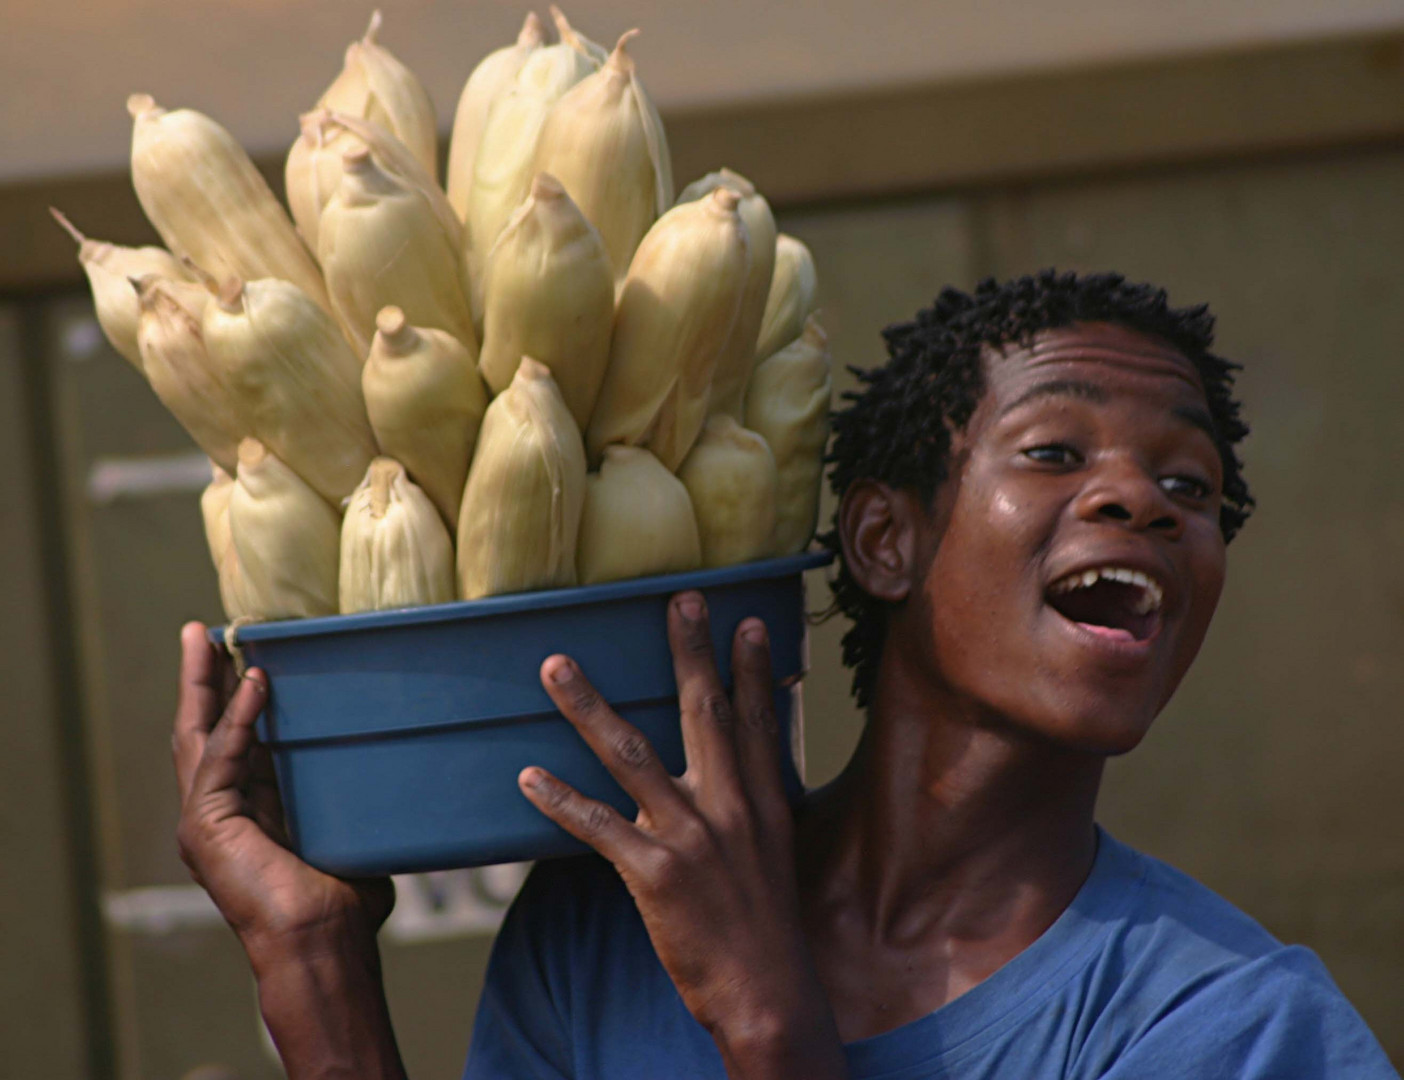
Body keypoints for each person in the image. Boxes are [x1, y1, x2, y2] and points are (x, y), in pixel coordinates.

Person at [172, 270, 1397, 1078]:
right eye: (1055, 449)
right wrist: (313, 965)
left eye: (1193, 487)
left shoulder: (1234, 1029)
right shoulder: (605, 934)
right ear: (884, 541)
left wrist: (765, 1022)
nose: (1144, 500)